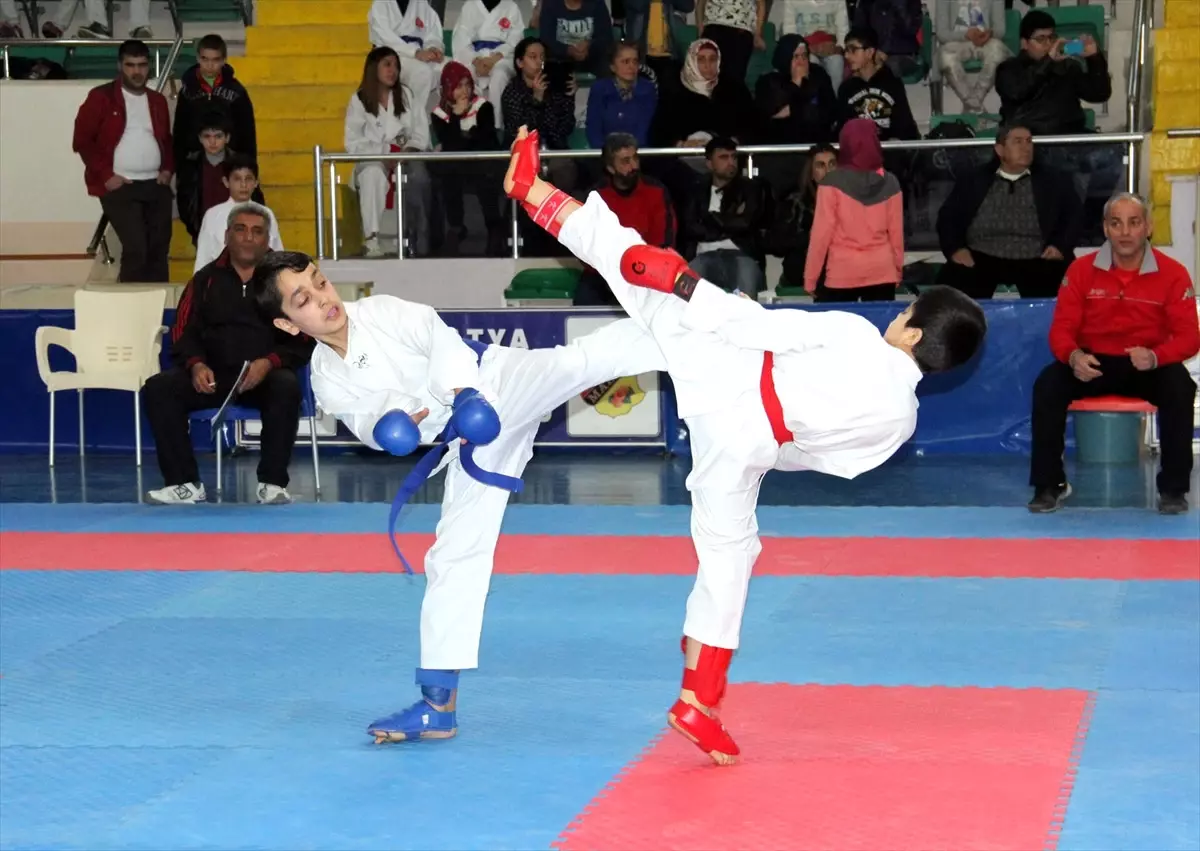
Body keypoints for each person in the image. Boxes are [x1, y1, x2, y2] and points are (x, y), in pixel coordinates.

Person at [503, 125, 987, 765]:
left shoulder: (856, 335)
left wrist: (692, 289)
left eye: (906, 312)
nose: (897, 314)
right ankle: (698, 697)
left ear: (913, 331)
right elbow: (825, 466)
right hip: (750, 444)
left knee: (635, 264)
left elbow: (762, 325)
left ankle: (534, 193)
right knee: (730, 557)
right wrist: (759, 444)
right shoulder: (899, 425)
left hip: (730, 370)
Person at [251, 252, 666, 744]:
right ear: (287, 323)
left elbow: (435, 333)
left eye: (320, 283)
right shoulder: (326, 377)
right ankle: (437, 706)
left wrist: (465, 392)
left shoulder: (378, 312)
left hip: (495, 385)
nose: (323, 299)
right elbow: (366, 420)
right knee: (453, 555)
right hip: (466, 441)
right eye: (304, 299)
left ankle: (695, 325)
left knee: (579, 362)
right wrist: (390, 427)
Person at [1028, 193, 1199, 516]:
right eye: (1116, 223)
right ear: (1105, 228)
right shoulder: (1080, 271)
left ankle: (1174, 490)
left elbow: (1190, 338)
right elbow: (1061, 330)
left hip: (1147, 363)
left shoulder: (1174, 273)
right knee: (1048, 384)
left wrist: (1156, 357)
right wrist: (1073, 356)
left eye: (1134, 223)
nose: (1124, 232)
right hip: (1092, 362)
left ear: (1148, 227)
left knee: (1180, 385)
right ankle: (1048, 486)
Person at [142, 203, 313, 505]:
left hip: (263, 378)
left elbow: (303, 337)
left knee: (286, 386)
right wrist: (195, 365)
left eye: (257, 231)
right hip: (212, 378)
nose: (249, 237)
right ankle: (184, 484)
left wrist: (269, 362)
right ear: (227, 236)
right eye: (241, 229)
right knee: (158, 389)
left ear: (267, 239)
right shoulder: (203, 281)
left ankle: (272, 484)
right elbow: (183, 333)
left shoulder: (285, 284)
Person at [72, 39, 173, 283]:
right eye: (130, 65)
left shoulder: (157, 101)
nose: (137, 71)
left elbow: (166, 140)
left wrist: (168, 169)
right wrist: (106, 175)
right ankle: (131, 309)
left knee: (158, 250)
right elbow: (82, 141)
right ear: (120, 66)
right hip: (120, 187)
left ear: (149, 67)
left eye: (141, 65)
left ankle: (159, 309)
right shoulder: (101, 98)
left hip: (155, 185)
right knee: (136, 249)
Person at [803, 118, 903, 302]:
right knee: (877, 330)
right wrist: (897, 270)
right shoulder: (891, 182)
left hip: (842, 273)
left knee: (840, 331)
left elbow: (820, 235)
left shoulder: (831, 183)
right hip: (882, 271)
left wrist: (811, 278)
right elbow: (896, 234)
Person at [194, 155, 283, 271]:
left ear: (256, 182)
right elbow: (203, 257)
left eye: (248, 179)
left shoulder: (266, 214)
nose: (243, 185)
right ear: (226, 182)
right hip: (222, 279)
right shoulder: (213, 215)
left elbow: (277, 254)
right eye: (237, 179)